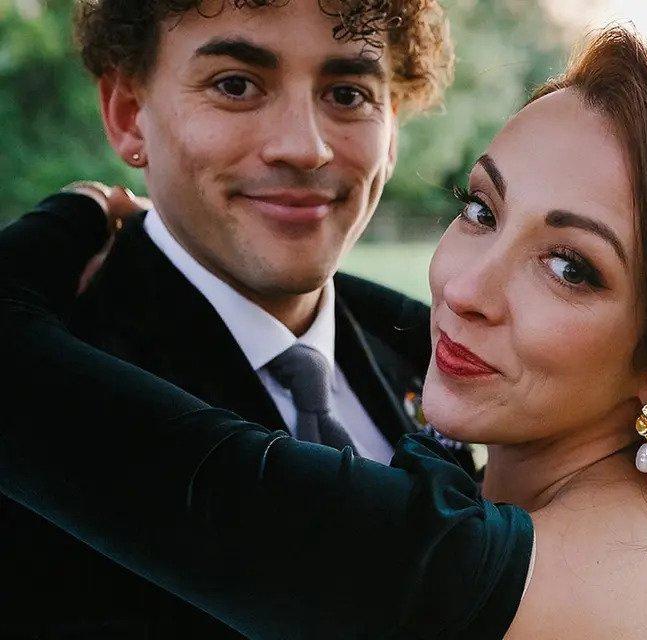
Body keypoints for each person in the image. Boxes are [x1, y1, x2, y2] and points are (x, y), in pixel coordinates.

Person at [0, 25, 647, 639]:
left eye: (572, 267)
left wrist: (69, 214)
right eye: (481, 210)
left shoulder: (527, 555)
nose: (461, 291)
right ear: (126, 110)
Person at [0, 2, 477, 638]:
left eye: (347, 93)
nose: (305, 148)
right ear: (126, 113)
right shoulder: (41, 388)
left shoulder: (427, 359)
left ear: (392, 123)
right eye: (235, 86)